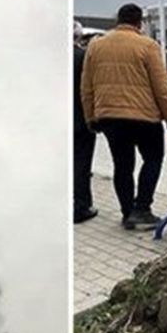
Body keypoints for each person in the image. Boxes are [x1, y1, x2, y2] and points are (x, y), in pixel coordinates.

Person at [80, 4, 167, 231]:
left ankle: (127, 213)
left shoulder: (96, 46)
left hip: (110, 118)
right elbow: (161, 88)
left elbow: (86, 87)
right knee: (153, 158)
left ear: (117, 20)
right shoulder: (148, 46)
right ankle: (142, 208)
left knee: (122, 166)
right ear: (139, 23)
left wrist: (90, 117)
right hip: (145, 117)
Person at [73, 20, 98, 225]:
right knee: (81, 165)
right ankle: (81, 206)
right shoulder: (82, 58)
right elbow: (90, 90)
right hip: (81, 121)